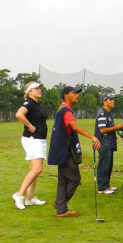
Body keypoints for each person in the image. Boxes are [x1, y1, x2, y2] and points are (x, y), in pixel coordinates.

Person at [48, 86, 101, 218]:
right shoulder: (66, 111)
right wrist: (92, 136)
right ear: (66, 95)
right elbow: (74, 126)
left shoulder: (62, 109)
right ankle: (60, 204)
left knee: (62, 180)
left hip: (60, 150)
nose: (77, 95)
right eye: (74, 93)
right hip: (65, 151)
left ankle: (61, 210)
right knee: (75, 179)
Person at [13, 81, 48, 210]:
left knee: (35, 170)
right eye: (36, 88)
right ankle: (19, 195)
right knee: (37, 169)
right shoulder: (28, 103)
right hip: (33, 139)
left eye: (40, 88)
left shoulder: (36, 104)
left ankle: (30, 198)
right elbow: (19, 114)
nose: (39, 90)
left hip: (39, 140)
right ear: (29, 92)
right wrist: (29, 125)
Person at [94, 93, 123, 194]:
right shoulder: (102, 113)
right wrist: (118, 127)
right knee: (103, 164)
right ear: (104, 102)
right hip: (103, 141)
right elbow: (102, 130)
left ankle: (106, 185)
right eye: (110, 99)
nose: (112, 101)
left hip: (110, 142)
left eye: (113, 99)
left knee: (108, 164)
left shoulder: (108, 114)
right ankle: (102, 188)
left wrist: (121, 127)